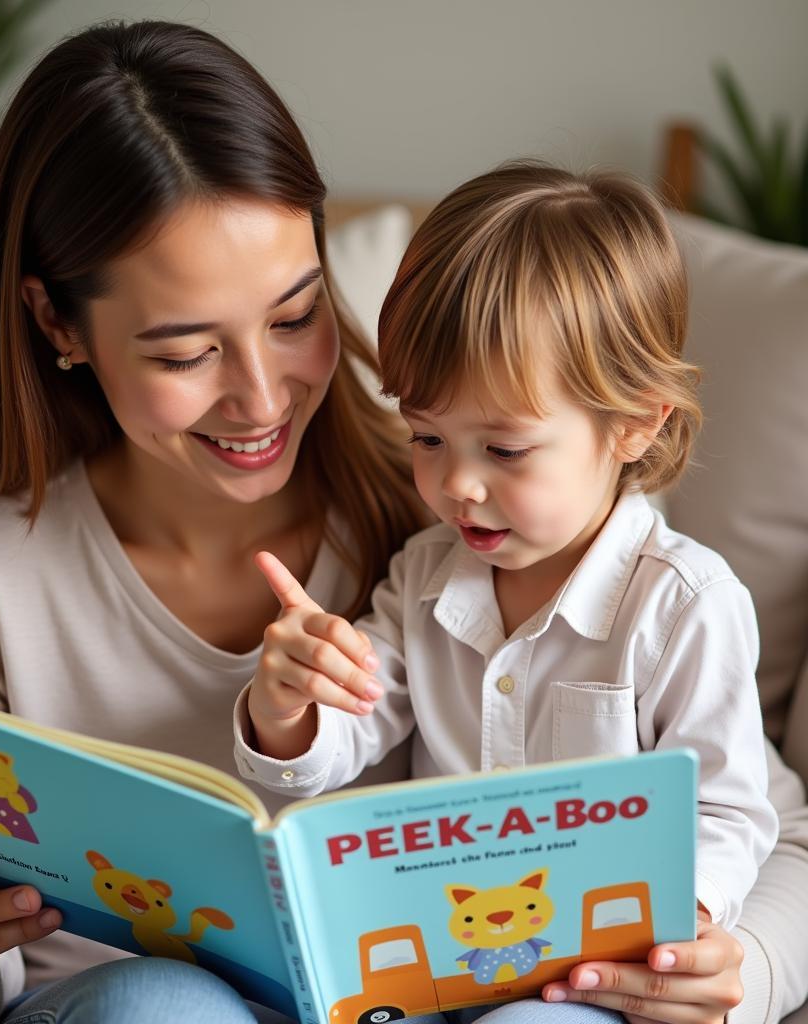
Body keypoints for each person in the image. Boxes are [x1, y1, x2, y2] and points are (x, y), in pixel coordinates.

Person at [0, 18, 804, 1024]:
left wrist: (737, 971)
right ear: (55, 323)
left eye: (295, 317)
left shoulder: (435, 516)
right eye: (183, 352)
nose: (261, 399)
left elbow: (758, 819)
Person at [236, 164, 784, 1019]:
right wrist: (292, 707)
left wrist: (684, 927)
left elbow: (728, 810)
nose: (457, 486)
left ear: (636, 424)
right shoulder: (423, 574)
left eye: (505, 450)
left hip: (587, 974)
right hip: (439, 955)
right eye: (426, 436)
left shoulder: (685, 604)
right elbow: (349, 733)